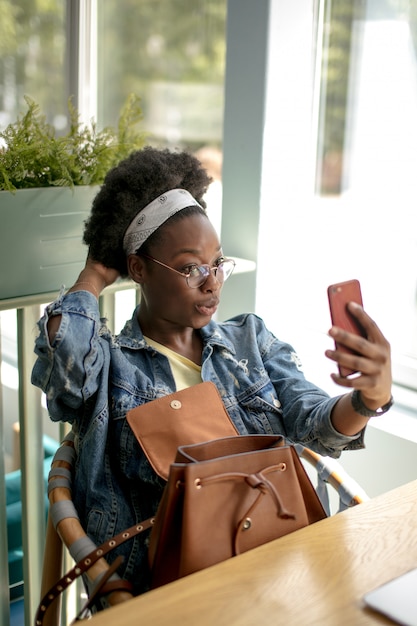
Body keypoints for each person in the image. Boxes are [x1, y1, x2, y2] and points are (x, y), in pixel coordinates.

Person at [32, 146, 392, 606]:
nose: (213, 283)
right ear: (138, 269)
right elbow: (65, 365)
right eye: (190, 268)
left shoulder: (250, 341)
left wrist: (366, 399)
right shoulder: (109, 366)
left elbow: (318, 427)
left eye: (218, 263)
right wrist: (96, 272)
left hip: (281, 566)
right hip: (170, 592)